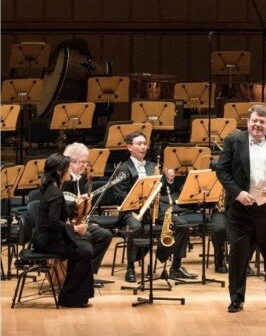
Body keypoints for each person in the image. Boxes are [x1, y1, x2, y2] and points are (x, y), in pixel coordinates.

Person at [216, 104, 266, 313]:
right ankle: (236, 299)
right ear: (248, 122)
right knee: (238, 255)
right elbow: (222, 171)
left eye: (262, 121)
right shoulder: (234, 140)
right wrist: (237, 193)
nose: (258, 125)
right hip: (241, 209)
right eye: (254, 121)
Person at [111, 132, 195, 282]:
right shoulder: (123, 168)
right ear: (129, 147)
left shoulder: (152, 166)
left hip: (154, 210)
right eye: (139, 144)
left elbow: (161, 190)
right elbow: (118, 196)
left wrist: (169, 180)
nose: (143, 146)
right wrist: (139, 198)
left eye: (145, 143)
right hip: (132, 211)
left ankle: (175, 266)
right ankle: (130, 267)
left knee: (181, 225)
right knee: (136, 227)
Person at [33, 153, 94, 308]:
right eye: (68, 168)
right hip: (47, 241)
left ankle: (78, 296)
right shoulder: (56, 193)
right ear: (59, 172)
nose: (70, 171)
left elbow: (59, 212)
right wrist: (74, 228)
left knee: (85, 247)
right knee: (85, 252)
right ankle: (69, 297)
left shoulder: (52, 188)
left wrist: (78, 204)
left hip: (51, 237)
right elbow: (53, 222)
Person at [62, 143, 113, 287]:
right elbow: (63, 206)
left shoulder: (81, 178)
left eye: (86, 162)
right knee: (88, 236)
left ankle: (88, 273)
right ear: (71, 162)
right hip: (67, 224)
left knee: (105, 235)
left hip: (78, 221)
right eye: (81, 162)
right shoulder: (65, 180)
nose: (84, 166)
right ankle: (78, 275)